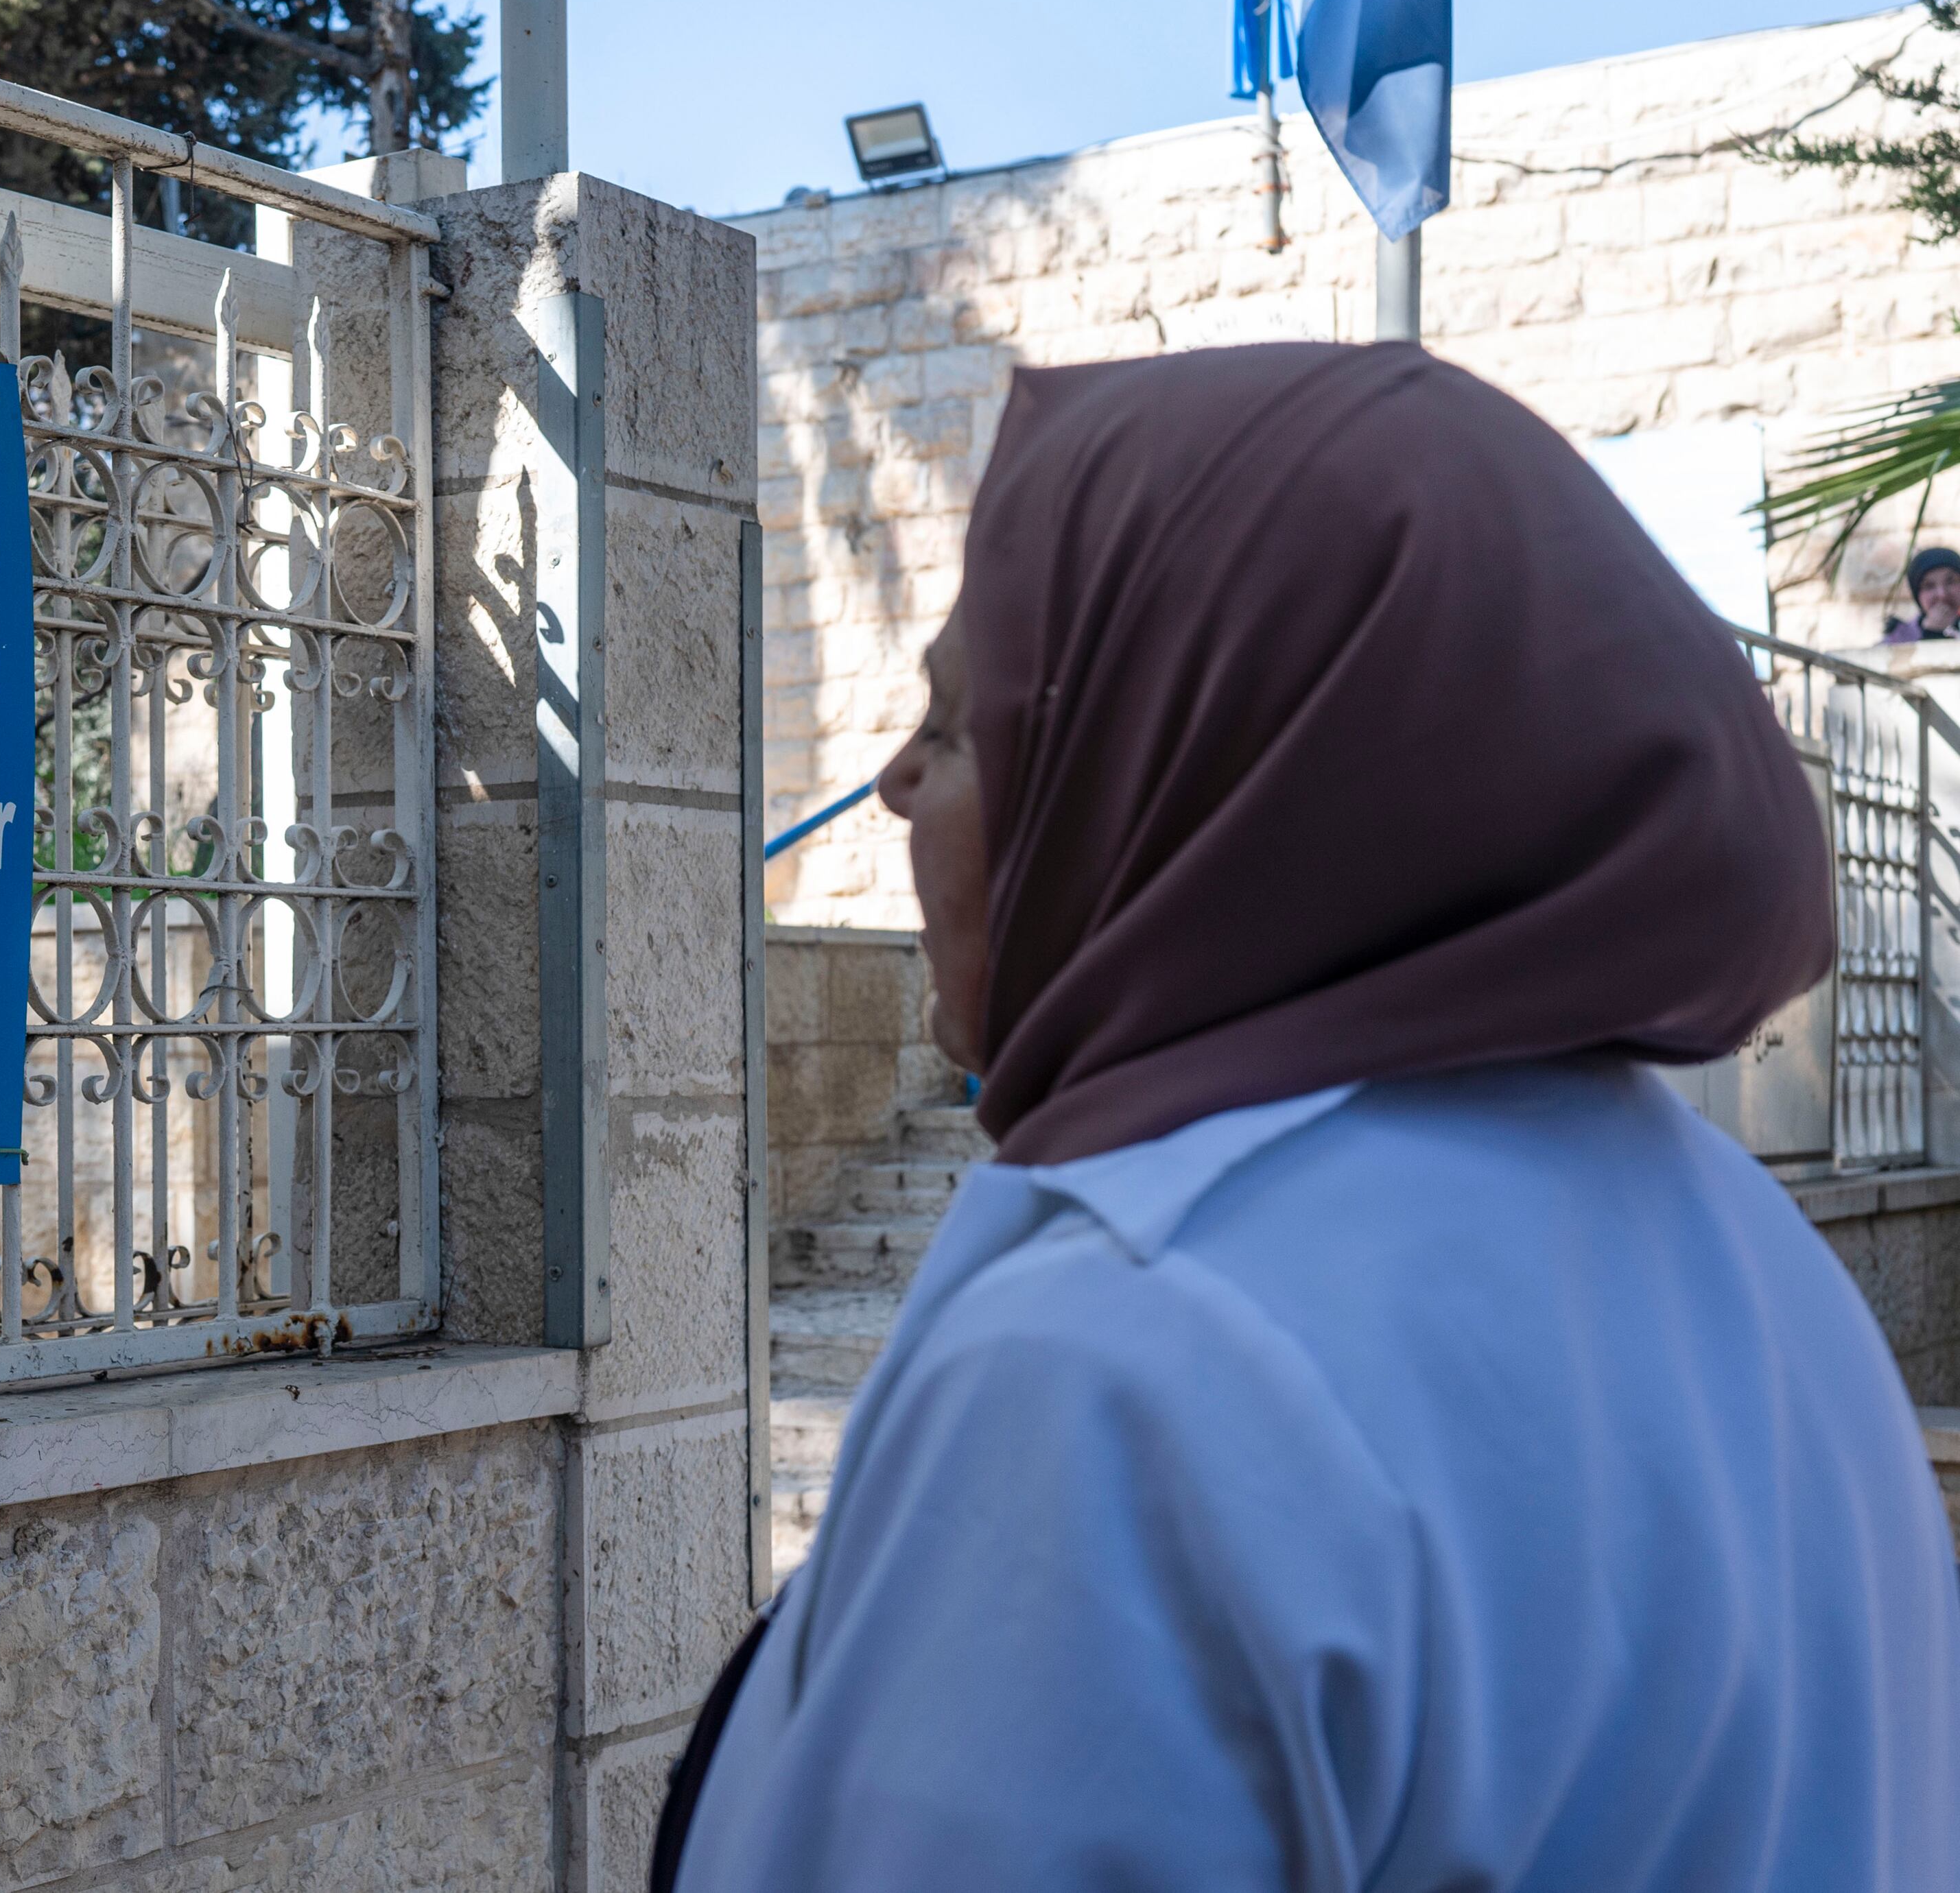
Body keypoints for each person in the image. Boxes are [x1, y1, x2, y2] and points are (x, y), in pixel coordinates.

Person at [656, 343, 1960, 1892]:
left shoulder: (1129, 1370)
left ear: (1173, 754)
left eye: (961, 722)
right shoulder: (1749, 1255)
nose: (890, 783)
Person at [1882, 544, 1960, 643]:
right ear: (1917, 595)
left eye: (1951, 581)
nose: (1942, 594)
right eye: (1929, 586)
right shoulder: (1898, 640)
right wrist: (1932, 634)